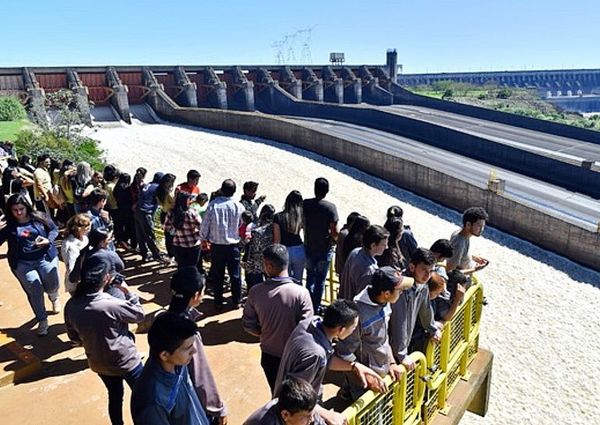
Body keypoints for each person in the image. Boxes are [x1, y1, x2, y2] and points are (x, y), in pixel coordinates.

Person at [274, 299, 386, 425]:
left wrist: (354, 366)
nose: (354, 330)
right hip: (298, 414)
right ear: (342, 330)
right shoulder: (315, 354)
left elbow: (326, 360)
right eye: (353, 327)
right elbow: (295, 396)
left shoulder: (311, 323)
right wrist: (327, 414)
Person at [64, 255, 145, 425]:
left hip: (99, 363)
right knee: (142, 398)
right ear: (107, 278)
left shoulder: (71, 305)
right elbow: (139, 314)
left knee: (115, 397)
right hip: (125, 361)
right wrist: (127, 290)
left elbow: (74, 338)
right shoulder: (111, 304)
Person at [242, 244, 313, 393]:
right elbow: (307, 329)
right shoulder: (301, 293)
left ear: (269, 265)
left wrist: (265, 333)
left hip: (269, 355)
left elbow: (248, 325)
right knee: (297, 397)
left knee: (276, 393)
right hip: (296, 356)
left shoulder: (255, 292)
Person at [335, 267, 414, 400]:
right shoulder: (358, 315)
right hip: (365, 382)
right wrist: (367, 377)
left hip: (381, 373)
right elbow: (344, 352)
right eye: (399, 290)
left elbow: (383, 339)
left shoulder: (385, 303)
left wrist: (392, 363)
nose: (402, 293)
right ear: (386, 293)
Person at [168, 266, 228, 425]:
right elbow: (200, 375)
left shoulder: (164, 320)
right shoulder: (189, 333)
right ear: (195, 295)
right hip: (191, 404)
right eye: (203, 291)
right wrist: (217, 409)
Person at [131, 312, 211, 425]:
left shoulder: (177, 364)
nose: (194, 351)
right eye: (188, 348)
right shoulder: (153, 401)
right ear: (164, 355)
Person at [0, 194, 61, 335]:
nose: (19, 213)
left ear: (26, 207)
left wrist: (48, 240)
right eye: (15, 210)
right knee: (34, 289)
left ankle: (54, 296)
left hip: (45, 257)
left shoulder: (39, 217)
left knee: (52, 284)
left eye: (21, 209)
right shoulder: (9, 226)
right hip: (23, 263)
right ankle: (42, 320)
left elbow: (54, 229)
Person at [389, 248, 442, 370]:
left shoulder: (422, 285)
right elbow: (399, 322)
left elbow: (426, 310)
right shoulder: (402, 288)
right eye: (424, 270)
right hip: (390, 346)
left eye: (431, 271)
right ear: (412, 267)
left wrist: (432, 329)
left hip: (402, 344)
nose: (427, 275)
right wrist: (401, 354)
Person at [199, 179, 245, 310]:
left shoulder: (213, 205)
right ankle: (236, 301)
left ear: (222, 190)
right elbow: (243, 226)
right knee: (235, 275)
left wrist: (203, 238)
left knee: (218, 274)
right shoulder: (239, 206)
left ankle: (218, 301)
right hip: (233, 246)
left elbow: (205, 225)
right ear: (234, 191)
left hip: (217, 247)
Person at [303, 178, 339, 313]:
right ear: (327, 191)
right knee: (320, 280)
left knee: (310, 276)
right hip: (324, 249)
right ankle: (315, 307)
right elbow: (334, 231)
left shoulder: (306, 204)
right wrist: (335, 241)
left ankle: (306, 306)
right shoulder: (330, 208)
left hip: (308, 246)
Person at [339, 225, 394, 300]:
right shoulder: (369, 271)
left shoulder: (355, 252)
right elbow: (362, 300)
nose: (386, 247)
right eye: (384, 245)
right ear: (373, 245)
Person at [243, 377, 325, 425]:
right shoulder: (264, 422)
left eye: (312, 413)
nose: (312, 419)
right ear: (285, 415)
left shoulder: (305, 411)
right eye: (306, 416)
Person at [273, 191, 305, 281]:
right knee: (298, 280)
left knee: (285, 279)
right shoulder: (301, 217)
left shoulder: (278, 217)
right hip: (299, 249)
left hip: (284, 250)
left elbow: (277, 240)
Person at [446, 207, 490, 275]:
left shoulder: (461, 233)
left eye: (483, 226)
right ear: (468, 225)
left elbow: (460, 254)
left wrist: (475, 258)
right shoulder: (459, 243)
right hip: (462, 281)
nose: (481, 229)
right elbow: (450, 272)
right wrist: (475, 269)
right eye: (479, 226)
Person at [164, 192, 202, 268]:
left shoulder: (171, 213)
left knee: (181, 266)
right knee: (192, 267)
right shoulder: (192, 212)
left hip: (178, 244)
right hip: (193, 244)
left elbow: (167, 227)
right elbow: (201, 226)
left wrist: (176, 232)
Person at [134, 171, 165, 263]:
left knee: (140, 234)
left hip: (138, 211)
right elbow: (160, 201)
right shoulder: (157, 188)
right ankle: (156, 255)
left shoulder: (148, 185)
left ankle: (144, 254)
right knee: (149, 235)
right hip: (146, 212)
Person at [243, 204, 276, 289]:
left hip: (256, 263)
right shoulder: (274, 228)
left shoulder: (254, 227)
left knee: (256, 289)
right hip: (269, 262)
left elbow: (252, 249)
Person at [61, 213, 91, 295]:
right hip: (77, 283)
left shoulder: (85, 238)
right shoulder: (71, 245)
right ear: (78, 228)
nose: (89, 228)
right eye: (86, 226)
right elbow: (72, 268)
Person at [113, 172, 136, 250]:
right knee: (128, 227)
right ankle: (125, 241)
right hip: (128, 210)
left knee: (119, 226)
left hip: (119, 209)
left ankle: (119, 240)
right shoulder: (127, 188)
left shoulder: (116, 187)